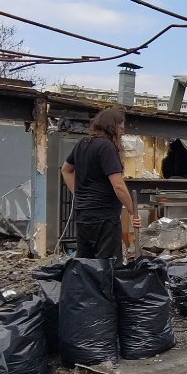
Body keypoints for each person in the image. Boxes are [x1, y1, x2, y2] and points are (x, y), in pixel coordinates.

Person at [61, 107, 142, 260]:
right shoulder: (107, 147)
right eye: (121, 128)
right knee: (108, 264)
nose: (122, 132)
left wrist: (79, 194)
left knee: (86, 262)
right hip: (104, 218)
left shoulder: (82, 143)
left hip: (83, 216)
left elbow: (66, 170)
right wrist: (133, 212)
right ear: (112, 127)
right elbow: (118, 186)